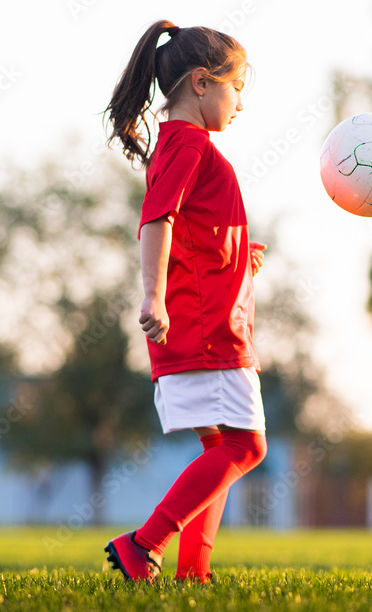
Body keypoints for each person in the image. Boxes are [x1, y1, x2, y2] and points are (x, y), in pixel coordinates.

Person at [102, 20, 267, 583]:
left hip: (209, 321)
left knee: (219, 447)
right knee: (246, 449)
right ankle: (143, 544)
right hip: (205, 328)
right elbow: (157, 218)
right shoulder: (189, 143)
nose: (241, 102)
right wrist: (153, 296)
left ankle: (194, 572)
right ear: (201, 83)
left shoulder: (183, 144)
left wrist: (239, 248)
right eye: (237, 86)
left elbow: (192, 225)